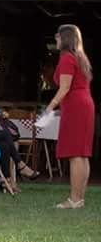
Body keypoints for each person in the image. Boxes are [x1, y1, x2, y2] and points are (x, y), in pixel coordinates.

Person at [46, 24, 95, 209]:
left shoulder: (66, 58)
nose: (55, 39)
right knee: (82, 153)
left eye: (57, 36)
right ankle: (79, 198)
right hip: (85, 103)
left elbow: (65, 88)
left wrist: (50, 107)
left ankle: (74, 199)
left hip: (76, 105)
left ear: (64, 37)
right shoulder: (80, 56)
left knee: (75, 153)